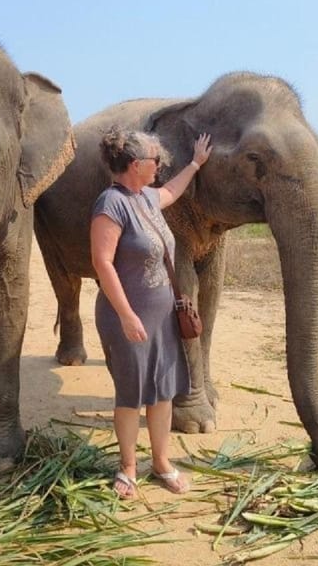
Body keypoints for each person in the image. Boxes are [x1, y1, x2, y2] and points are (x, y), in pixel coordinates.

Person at [91, 127, 212, 499]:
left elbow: (172, 191)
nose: (159, 165)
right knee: (131, 395)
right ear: (134, 164)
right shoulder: (110, 204)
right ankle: (128, 466)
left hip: (162, 319)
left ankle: (161, 462)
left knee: (161, 394)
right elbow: (103, 263)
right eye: (154, 160)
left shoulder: (145, 197)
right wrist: (126, 314)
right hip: (127, 318)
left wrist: (195, 163)